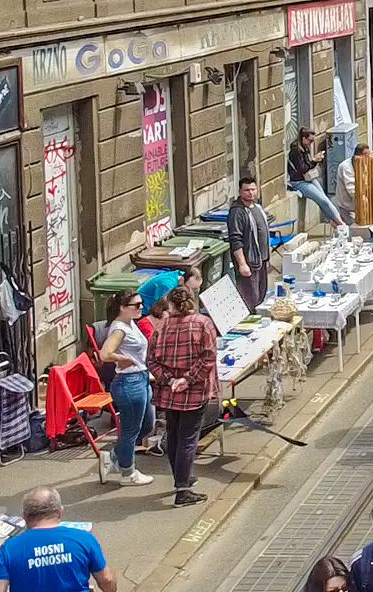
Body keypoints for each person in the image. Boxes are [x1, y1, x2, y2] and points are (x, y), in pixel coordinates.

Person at [147, 285, 216, 508]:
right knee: (188, 439)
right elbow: (208, 358)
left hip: (169, 392)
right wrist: (187, 379)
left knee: (174, 436)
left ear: (171, 305)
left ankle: (181, 477)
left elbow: (151, 361)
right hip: (194, 391)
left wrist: (168, 380)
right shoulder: (203, 324)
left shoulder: (161, 327)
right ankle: (183, 490)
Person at [0, 488, 117, 592]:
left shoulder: (9, 549)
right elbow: (107, 579)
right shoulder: (84, 539)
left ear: (25, 517)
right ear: (60, 512)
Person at [97, 291, 155, 486]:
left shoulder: (131, 323)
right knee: (130, 430)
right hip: (129, 382)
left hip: (141, 378)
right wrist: (123, 359)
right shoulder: (120, 328)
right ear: (122, 307)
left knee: (148, 424)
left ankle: (114, 456)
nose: (141, 308)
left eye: (141, 304)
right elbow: (105, 354)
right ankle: (127, 473)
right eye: (136, 305)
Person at [226, 175, 272, 311]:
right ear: (240, 192)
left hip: (262, 260)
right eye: (247, 190)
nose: (251, 193)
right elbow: (235, 240)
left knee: (261, 295)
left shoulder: (257, 207)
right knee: (250, 297)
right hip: (249, 263)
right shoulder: (237, 212)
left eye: (253, 189)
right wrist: (242, 264)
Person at [288, 127, 342, 228]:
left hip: (308, 178)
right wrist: (314, 160)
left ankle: (334, 221)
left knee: (324, 199)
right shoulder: (296, 151)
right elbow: (302, 168)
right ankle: (340, 223)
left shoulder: (305, 148)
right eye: (310, 140)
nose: (311, 143)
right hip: (299, 182)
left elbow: (309, 166)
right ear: (303, 138)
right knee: (323, 200)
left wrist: (315, 160)